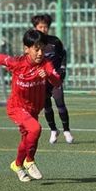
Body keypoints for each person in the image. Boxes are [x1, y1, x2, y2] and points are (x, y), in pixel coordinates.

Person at [0, 29, 61, 182]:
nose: (40, 53)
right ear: (26, 49)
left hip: (33, 109)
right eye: (36, 49)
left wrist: (49, 75)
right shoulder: (17, 63)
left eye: (42, 49)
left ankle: (17, 165)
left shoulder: (46, 64)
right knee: (35, 129)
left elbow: (57, 82)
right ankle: (29, 161)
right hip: (16, 107)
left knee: (28, 139)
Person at [31, 14, 73, 144]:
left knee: (60, 103)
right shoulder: (32, 43)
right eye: (40, 27)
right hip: (41, 80)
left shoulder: (55, 41)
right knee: (47, 106)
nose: (43, 29)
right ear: (35, 27)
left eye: (45, 27)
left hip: (54, 78)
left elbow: (63, 55)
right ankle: (53, 130)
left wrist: (62, 69)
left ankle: (66, 130)